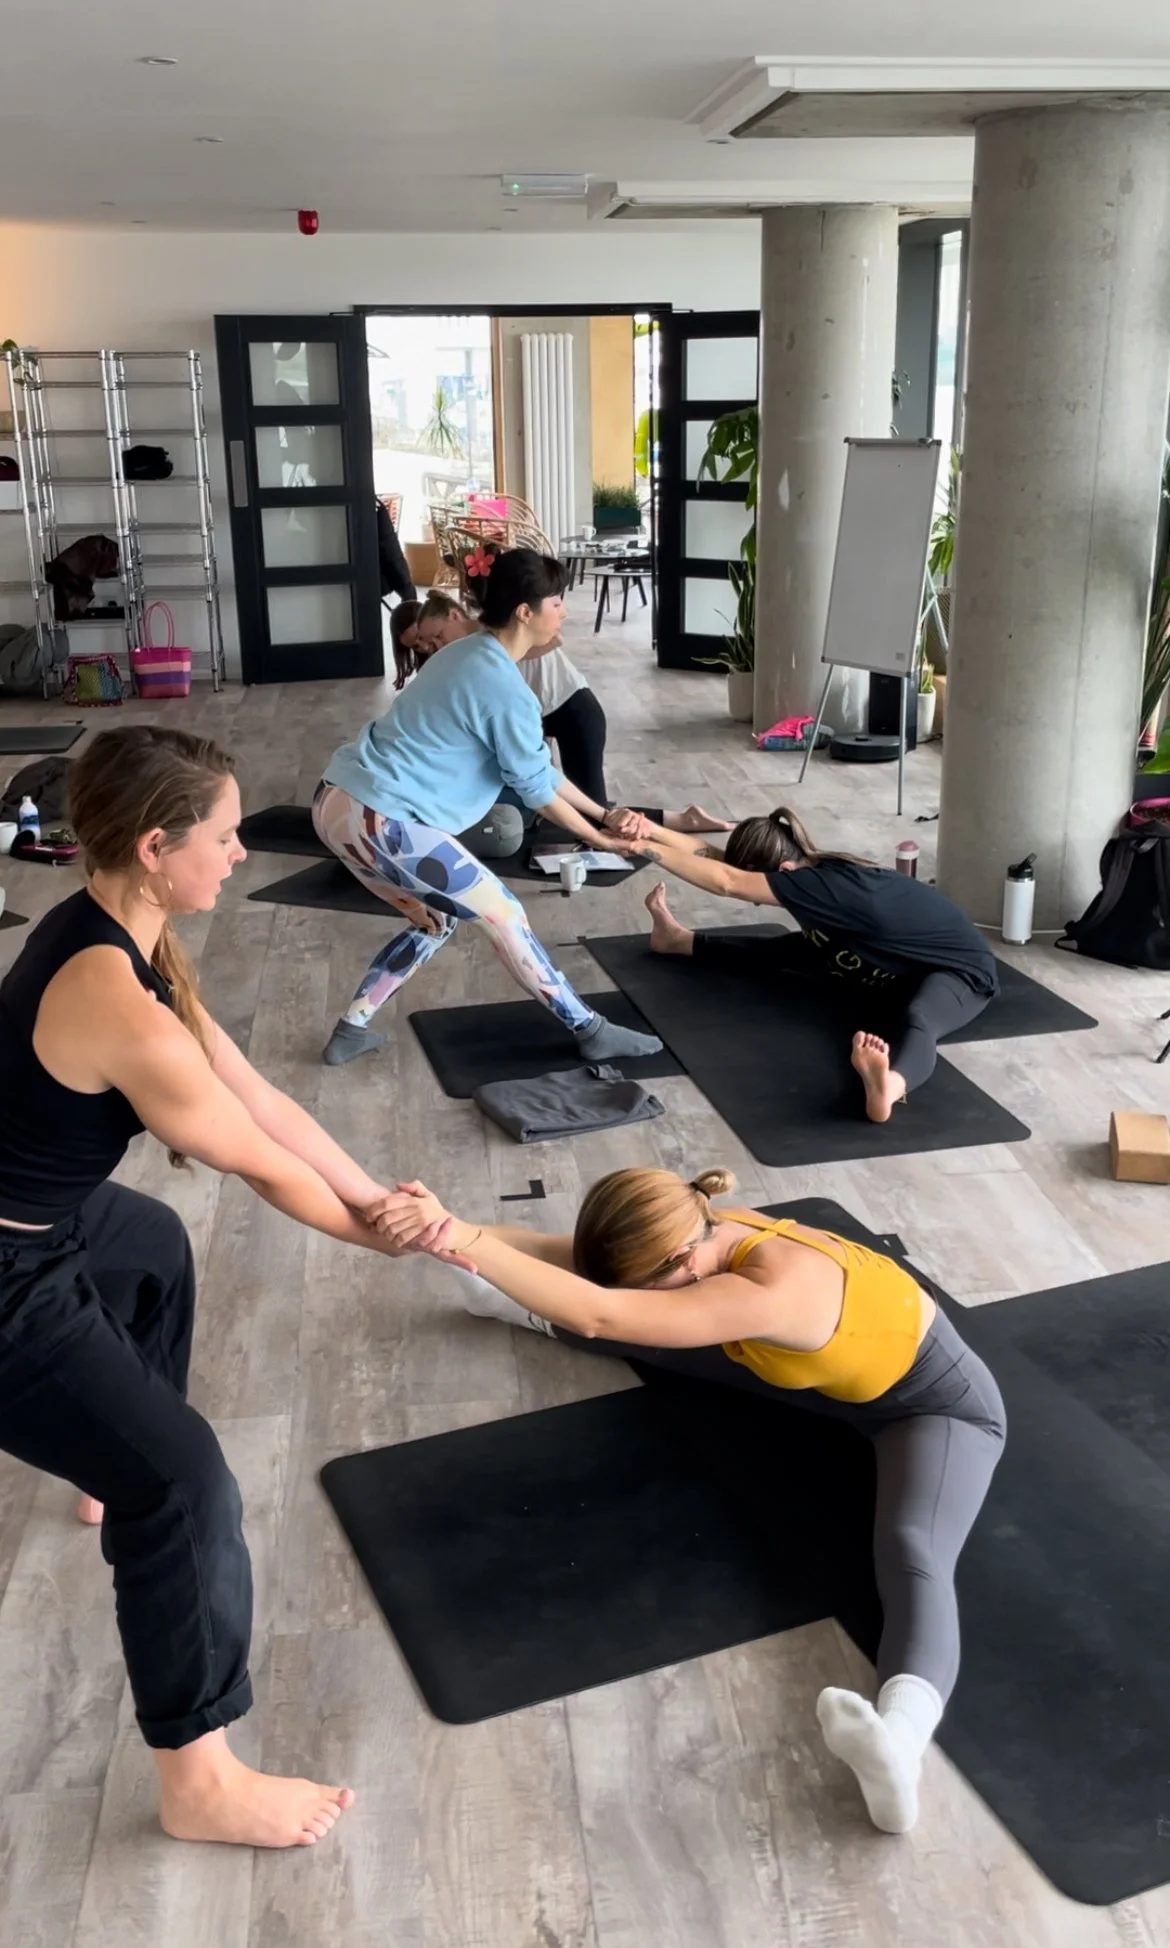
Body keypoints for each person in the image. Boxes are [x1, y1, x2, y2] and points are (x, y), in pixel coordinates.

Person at [0, 726, 467, 1852]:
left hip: (45, 1222)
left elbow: (258, 1097)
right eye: (224, 835)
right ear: (156, 846)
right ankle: (196, 1778)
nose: (241, 854)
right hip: (7, 1270)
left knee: (152, 1246)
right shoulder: (113, 991)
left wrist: (374, 1193)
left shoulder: (125, 930)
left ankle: (106, 1460)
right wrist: (385, 1239)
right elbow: (255, 1163)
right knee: (187, 1481)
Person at [369, 1166, 1006, 1836]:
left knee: (912, 1549)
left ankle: (899, 1743)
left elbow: (599, 1308)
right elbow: (560, 1254)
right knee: (656, 1328)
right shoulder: (696, 1228)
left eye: (651, 1275)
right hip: (828, 1377)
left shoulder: (775, 1288)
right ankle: (497, 1301)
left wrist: (460, 1236)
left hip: (936, 1409)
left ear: (683, 1258)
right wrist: (445, 1231)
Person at [313, 547, 665, 1068]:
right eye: (557, 601)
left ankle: (351, 1029)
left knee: (436, 921)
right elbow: (536, 792)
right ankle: (590, 1030)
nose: (563, 611)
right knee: (505, 914)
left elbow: (539, 771)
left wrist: (601, 813)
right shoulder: (503, 685)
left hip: (337, 805)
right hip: (384, 819)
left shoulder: (466, 652)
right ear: (526, 611)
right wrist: (602, 841)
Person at [621, 806, 999, 1123]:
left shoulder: (826, 887)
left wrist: (638, 846)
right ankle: (677, 941)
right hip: (877, 959)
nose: (756, 899)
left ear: (782, 870)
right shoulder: (802, 872)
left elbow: (728, 881)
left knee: (919, 1016)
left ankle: (889, 1087)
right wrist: (650, 830)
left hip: (957, 971)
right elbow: (715, 858)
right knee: (787, 951)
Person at [401, 588, 732, 838]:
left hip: (574, 710)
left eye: (439, 636)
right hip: (540, 714)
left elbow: (553, 638)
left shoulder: (498, 631)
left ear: (456, 616)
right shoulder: (469, 654)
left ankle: (682, 820)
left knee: (593, 815)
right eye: (430, 643)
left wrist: (509, 657)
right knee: (560, 803)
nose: (438, 646)